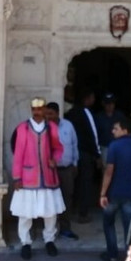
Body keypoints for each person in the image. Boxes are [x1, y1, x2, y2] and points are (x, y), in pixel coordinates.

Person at [10, 97, 64, 260]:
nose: (37, 112)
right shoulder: (23, 128)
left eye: (40, 109)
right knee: (25, 213)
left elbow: (58, 148)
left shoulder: (52, 127)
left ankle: (49, 240)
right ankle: (25, 243)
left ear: (44, 109)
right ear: (31, 110)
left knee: (50, 213)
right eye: (35, 109)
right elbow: (18, 154)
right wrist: (17, 176)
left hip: (47, 176)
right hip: (28, 177)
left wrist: (55, 159)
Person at [98, 117, 131, 261]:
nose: (113, 131)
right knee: (129, 228)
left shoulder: (114, 146)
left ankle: (112, 254)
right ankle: (130, 259)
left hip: (113, 193)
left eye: (116, 128)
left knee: (108, 223)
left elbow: (109, 171)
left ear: (125, 130)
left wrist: (103, 193)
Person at [65, 90, 101, 224]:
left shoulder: (70, 114)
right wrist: (97, 154)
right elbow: (93, 134)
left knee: (72, 183)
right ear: (88, 98)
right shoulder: (86, 112)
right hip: (84, 153)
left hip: (71, 153)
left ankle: (69, 212)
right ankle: (83, 213)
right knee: (85, 183)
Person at [45, 101, 79, 239]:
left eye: (51, 114)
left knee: (66, 199)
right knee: (49, 200)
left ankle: (65, 229)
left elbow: (74, 144)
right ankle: (49, 231)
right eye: (47, 114)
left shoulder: (68, 125)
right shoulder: (43, 128)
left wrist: (75, 163)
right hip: (50, 171)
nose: (48, 116)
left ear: (58, 113)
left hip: (66, 170)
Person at [94, 93, 127, 165]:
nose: (110, 105)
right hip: (104, 148)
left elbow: (126, 132)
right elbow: (95, 136)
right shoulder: (98, 117)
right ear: (103, 104)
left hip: (119, 148)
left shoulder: (120, 116)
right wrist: (97, 155)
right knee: (106, 170)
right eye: (107, 103)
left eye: (111, 103)